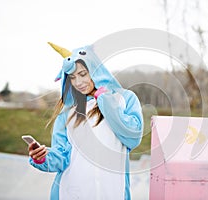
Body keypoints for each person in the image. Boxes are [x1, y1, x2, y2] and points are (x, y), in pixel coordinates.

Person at [27, 42, 144, 200]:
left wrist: (104, 98)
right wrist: (42, 158)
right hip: (70, 193)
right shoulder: (68, 112)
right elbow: (61, 157)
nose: (78, 82)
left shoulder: (125, 99)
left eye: (83, 74)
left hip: (113, 193)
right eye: (72, 77)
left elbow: (132, 137)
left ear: (96, 70)